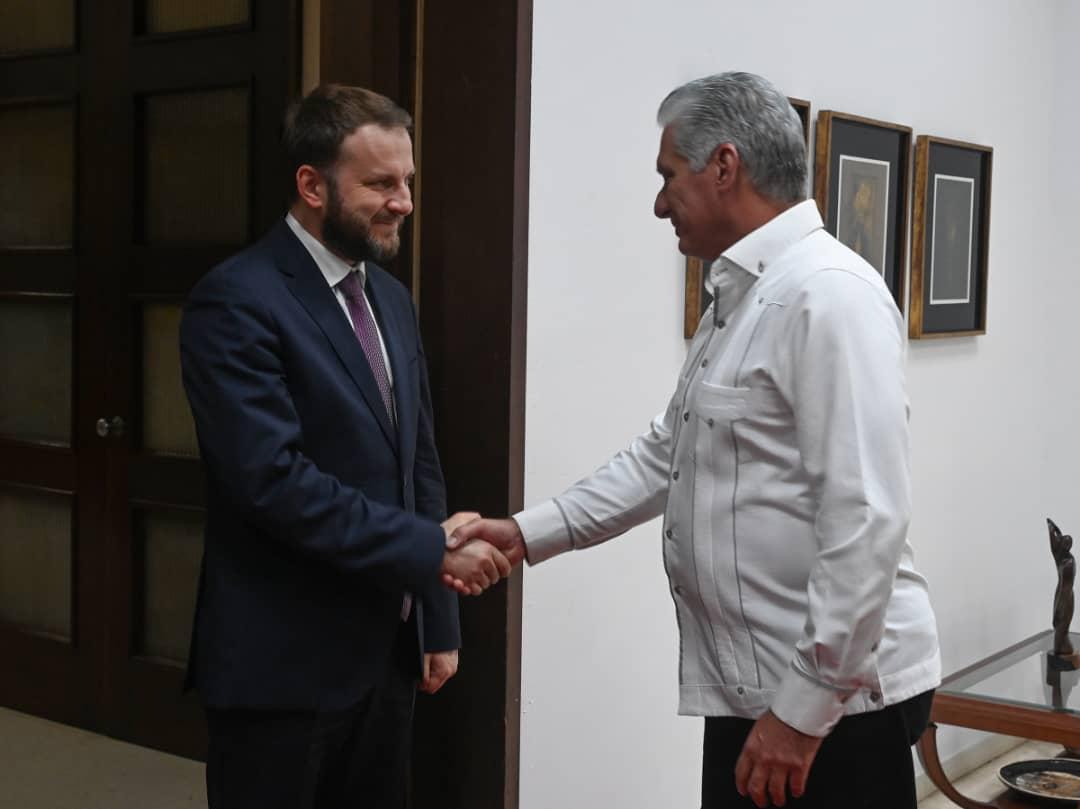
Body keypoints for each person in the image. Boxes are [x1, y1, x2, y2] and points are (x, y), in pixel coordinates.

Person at [448, 72, 941, 809]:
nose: (657, 203)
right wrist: (524, 532)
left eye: (667, 175)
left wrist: (802, 715)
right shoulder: (743, 293)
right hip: (758, 690)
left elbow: (866, 519)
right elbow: (665, 454)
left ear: (724, 166)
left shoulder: (828, 296)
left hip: (830, 703)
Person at [180, 84, 509, 809]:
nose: (404, 203)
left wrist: (436, 615)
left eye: (408, 182)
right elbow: (272, 482)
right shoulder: (235, 300)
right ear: (311, 185)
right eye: (380, 184)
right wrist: (431, 549)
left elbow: (418, 461)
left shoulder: (390, 298)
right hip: (280, 670)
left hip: (386, 661)